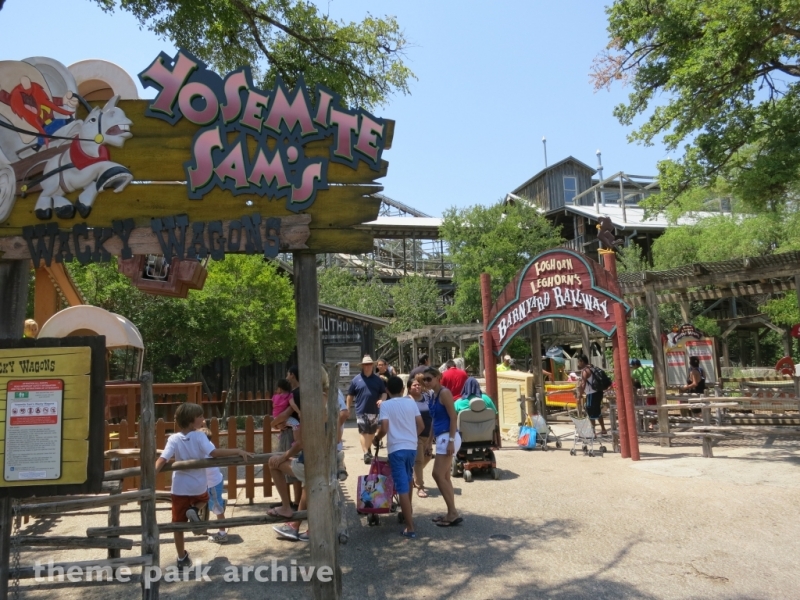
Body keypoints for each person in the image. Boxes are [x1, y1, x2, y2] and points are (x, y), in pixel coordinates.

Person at [156, 403, 253, 568]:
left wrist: (152, 474)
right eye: (200, 416)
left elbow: (163, 459)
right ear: (191, 420)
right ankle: (194, 509)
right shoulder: (200, 436)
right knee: (205, 498)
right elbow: (214, 453)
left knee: (177, 525)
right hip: (198, 486)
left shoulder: (173, 438)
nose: (203, 419)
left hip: (179, 487)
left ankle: (181, 557)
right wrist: (237, 450)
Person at [373, 376, 424, 539]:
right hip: (411, 447)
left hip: (396, 449)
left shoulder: (385, 405)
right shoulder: (411, 402)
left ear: (387, 390)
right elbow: (421, 425)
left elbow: (384, 428)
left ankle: (410, 527)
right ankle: (407, 513)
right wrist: (412, 437)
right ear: (403, 389)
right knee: (408, 479)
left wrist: (376, 438)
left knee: (401, 486)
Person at [423, 367, 463, 527]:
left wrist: (451, 440)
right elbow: (434, 420)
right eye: (424, 379)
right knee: (445, 477)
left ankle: (452, 512)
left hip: (448, 437)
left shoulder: (444, 393)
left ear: (438, 377)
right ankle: (450, 511)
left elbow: (453, 417)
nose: (426, 382)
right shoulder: (433, 395)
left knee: (437, 474)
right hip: (442, 437)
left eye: (429, 379)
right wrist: (428, 441)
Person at [346, 355, 387, 464]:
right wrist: (348, 408)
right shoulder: (356, 380)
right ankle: (365, 453)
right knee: (363, 431)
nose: (367, 366)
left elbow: (384, 392)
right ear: (362, 366)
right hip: (361, 410)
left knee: (372, 432)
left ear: (372, 366)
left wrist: (382, 400)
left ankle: (367, 448)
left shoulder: (378, 380)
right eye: (365, 365)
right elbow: (350, 395)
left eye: (369, 364)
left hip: (374, 410)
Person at [274, 366, 302, 507]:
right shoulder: (295, 392)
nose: (287, 376)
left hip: (290, 432)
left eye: (288, 374)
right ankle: (290, 501)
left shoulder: (295, 394)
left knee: (287, 464)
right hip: (290, 429)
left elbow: (285, 414)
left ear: (292, 375)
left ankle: (293, 502)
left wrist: (273, 423)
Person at [200, 428, 229, 544]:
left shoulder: (205, 450)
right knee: (208, 502)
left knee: (217, 508)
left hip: (212, 483)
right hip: (211, 481)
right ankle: (220, 503)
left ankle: (222, 534)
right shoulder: (209, 445)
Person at [409, 375, 433, 498]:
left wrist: (431, 439)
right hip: (415, 435)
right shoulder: (407, 400)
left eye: (418, 384)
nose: (417, 386)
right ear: (409, 388)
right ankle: (420, 487)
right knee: (418, 461)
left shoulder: (427, 397)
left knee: (427, 457)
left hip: (428, 434)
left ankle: (415, 475)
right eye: (414, 385)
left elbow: (432, 416)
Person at [576, 354, 607, 436]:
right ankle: (603, 429)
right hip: (598, 392)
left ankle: (593, 432)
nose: (578, 363)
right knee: (597, 411)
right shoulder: (592, 367)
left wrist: (579, 396)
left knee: (590, 412)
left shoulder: (585, 371)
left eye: (578, 362)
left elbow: (583, 384)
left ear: (582, 361)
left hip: (591, 394)